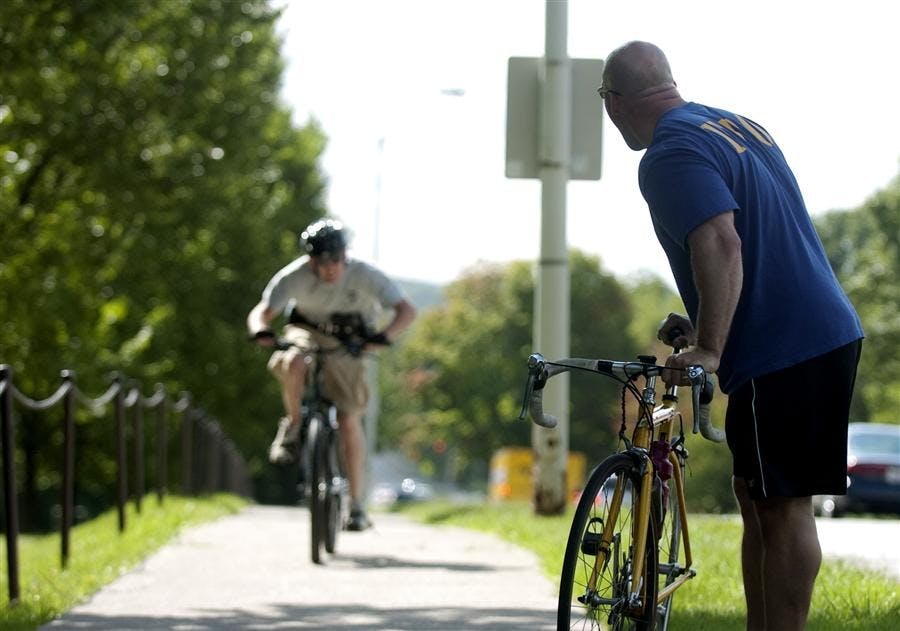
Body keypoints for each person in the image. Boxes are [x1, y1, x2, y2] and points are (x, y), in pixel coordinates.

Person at [600, 41, 863, 630]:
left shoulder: (670, 152)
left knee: (783, 505)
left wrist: (710, 349)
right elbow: (762, 238)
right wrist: (706, 323)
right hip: (809, 330)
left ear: (613, 103)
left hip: (787, 344)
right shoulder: (735, 125)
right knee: (755, 496)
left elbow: (721, 242)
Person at [247, 218, 416, 531]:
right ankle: (294, 426)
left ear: (344, 255)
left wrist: (382, 338)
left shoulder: (366, 275)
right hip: (306, 331)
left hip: (351, 342)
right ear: (311, 259)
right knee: (293, 360)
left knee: (349, 419)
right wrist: (260, 330)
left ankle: (355, 505)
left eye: (335, 260)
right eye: (320, 261)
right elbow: (262, 311)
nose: (329, 268)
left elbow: (406, 310)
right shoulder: (294, 276)